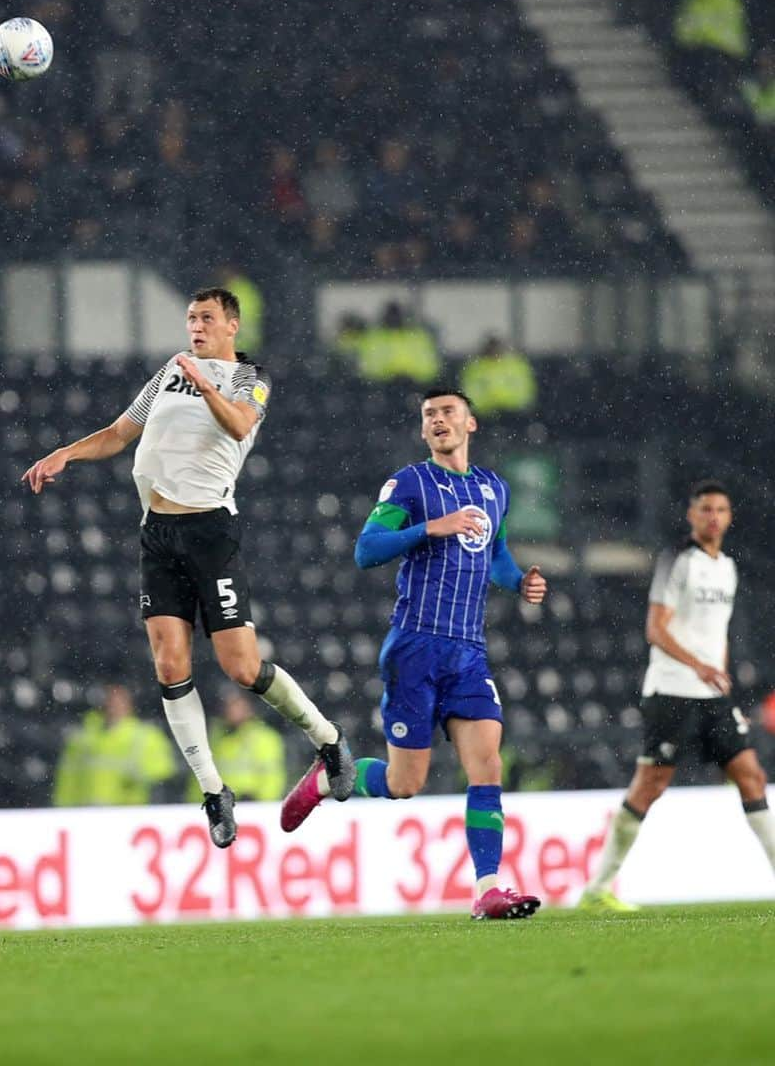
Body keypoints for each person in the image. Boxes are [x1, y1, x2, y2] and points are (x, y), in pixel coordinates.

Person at [23, 287, 354, 848]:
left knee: (241, 668)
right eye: (190, 318)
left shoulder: (251, 378)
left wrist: (205, 384)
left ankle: (327, 740)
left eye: (206, 318)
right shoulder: (166, 375)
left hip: (210, 532)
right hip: (157, 533)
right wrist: (66, 453)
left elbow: (240, 426)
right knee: (169, 662)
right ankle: (212, 792)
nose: (195, 327)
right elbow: (119, 433)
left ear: (232, 326)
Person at [280, 388, 548, 920]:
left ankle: (488, 890)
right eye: (429, 416)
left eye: (448, 412)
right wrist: (429, 528)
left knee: (487, 765)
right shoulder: (410, 483)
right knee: (406, 784)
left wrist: (520, 582)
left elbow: (492, 553)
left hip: (469, 650)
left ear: (470, 423)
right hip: (416, 645)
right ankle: (335, 775)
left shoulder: (495, 488)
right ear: (424, 431)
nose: (439, 420)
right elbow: (365, 550)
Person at [579, 481, 775, 912]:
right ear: (692, 515)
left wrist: (717, 668)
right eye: (705, 509)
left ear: (729, 517)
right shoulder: (677, 561)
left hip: (712, 695)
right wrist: (698, 665)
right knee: (650, 786)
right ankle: (597, 888)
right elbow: (656, 628)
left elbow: (715, 631)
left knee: (752, 776)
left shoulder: (728, 566)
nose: (713, 517)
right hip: (671, 691)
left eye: (721, 510)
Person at [53, 683, 176, 806]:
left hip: (130, 816)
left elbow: (162, 784)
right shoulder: (81, 739)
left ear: (130, 703)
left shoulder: (147, 738)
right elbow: (66, 781)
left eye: (118, 699)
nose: (112, 705)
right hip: (86, 816)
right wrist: (63, 812)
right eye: (109, 698)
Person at [186, 689, 285, 803]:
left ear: (249, 708)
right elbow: (200, 776)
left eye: (237, 705)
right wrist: (197, 802)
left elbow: (273, 777)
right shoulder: (213, 738)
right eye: (228, 705)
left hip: (250, 806)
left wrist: (260, 801)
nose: (231, 710)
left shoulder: (264, 738)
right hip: (218, 807)